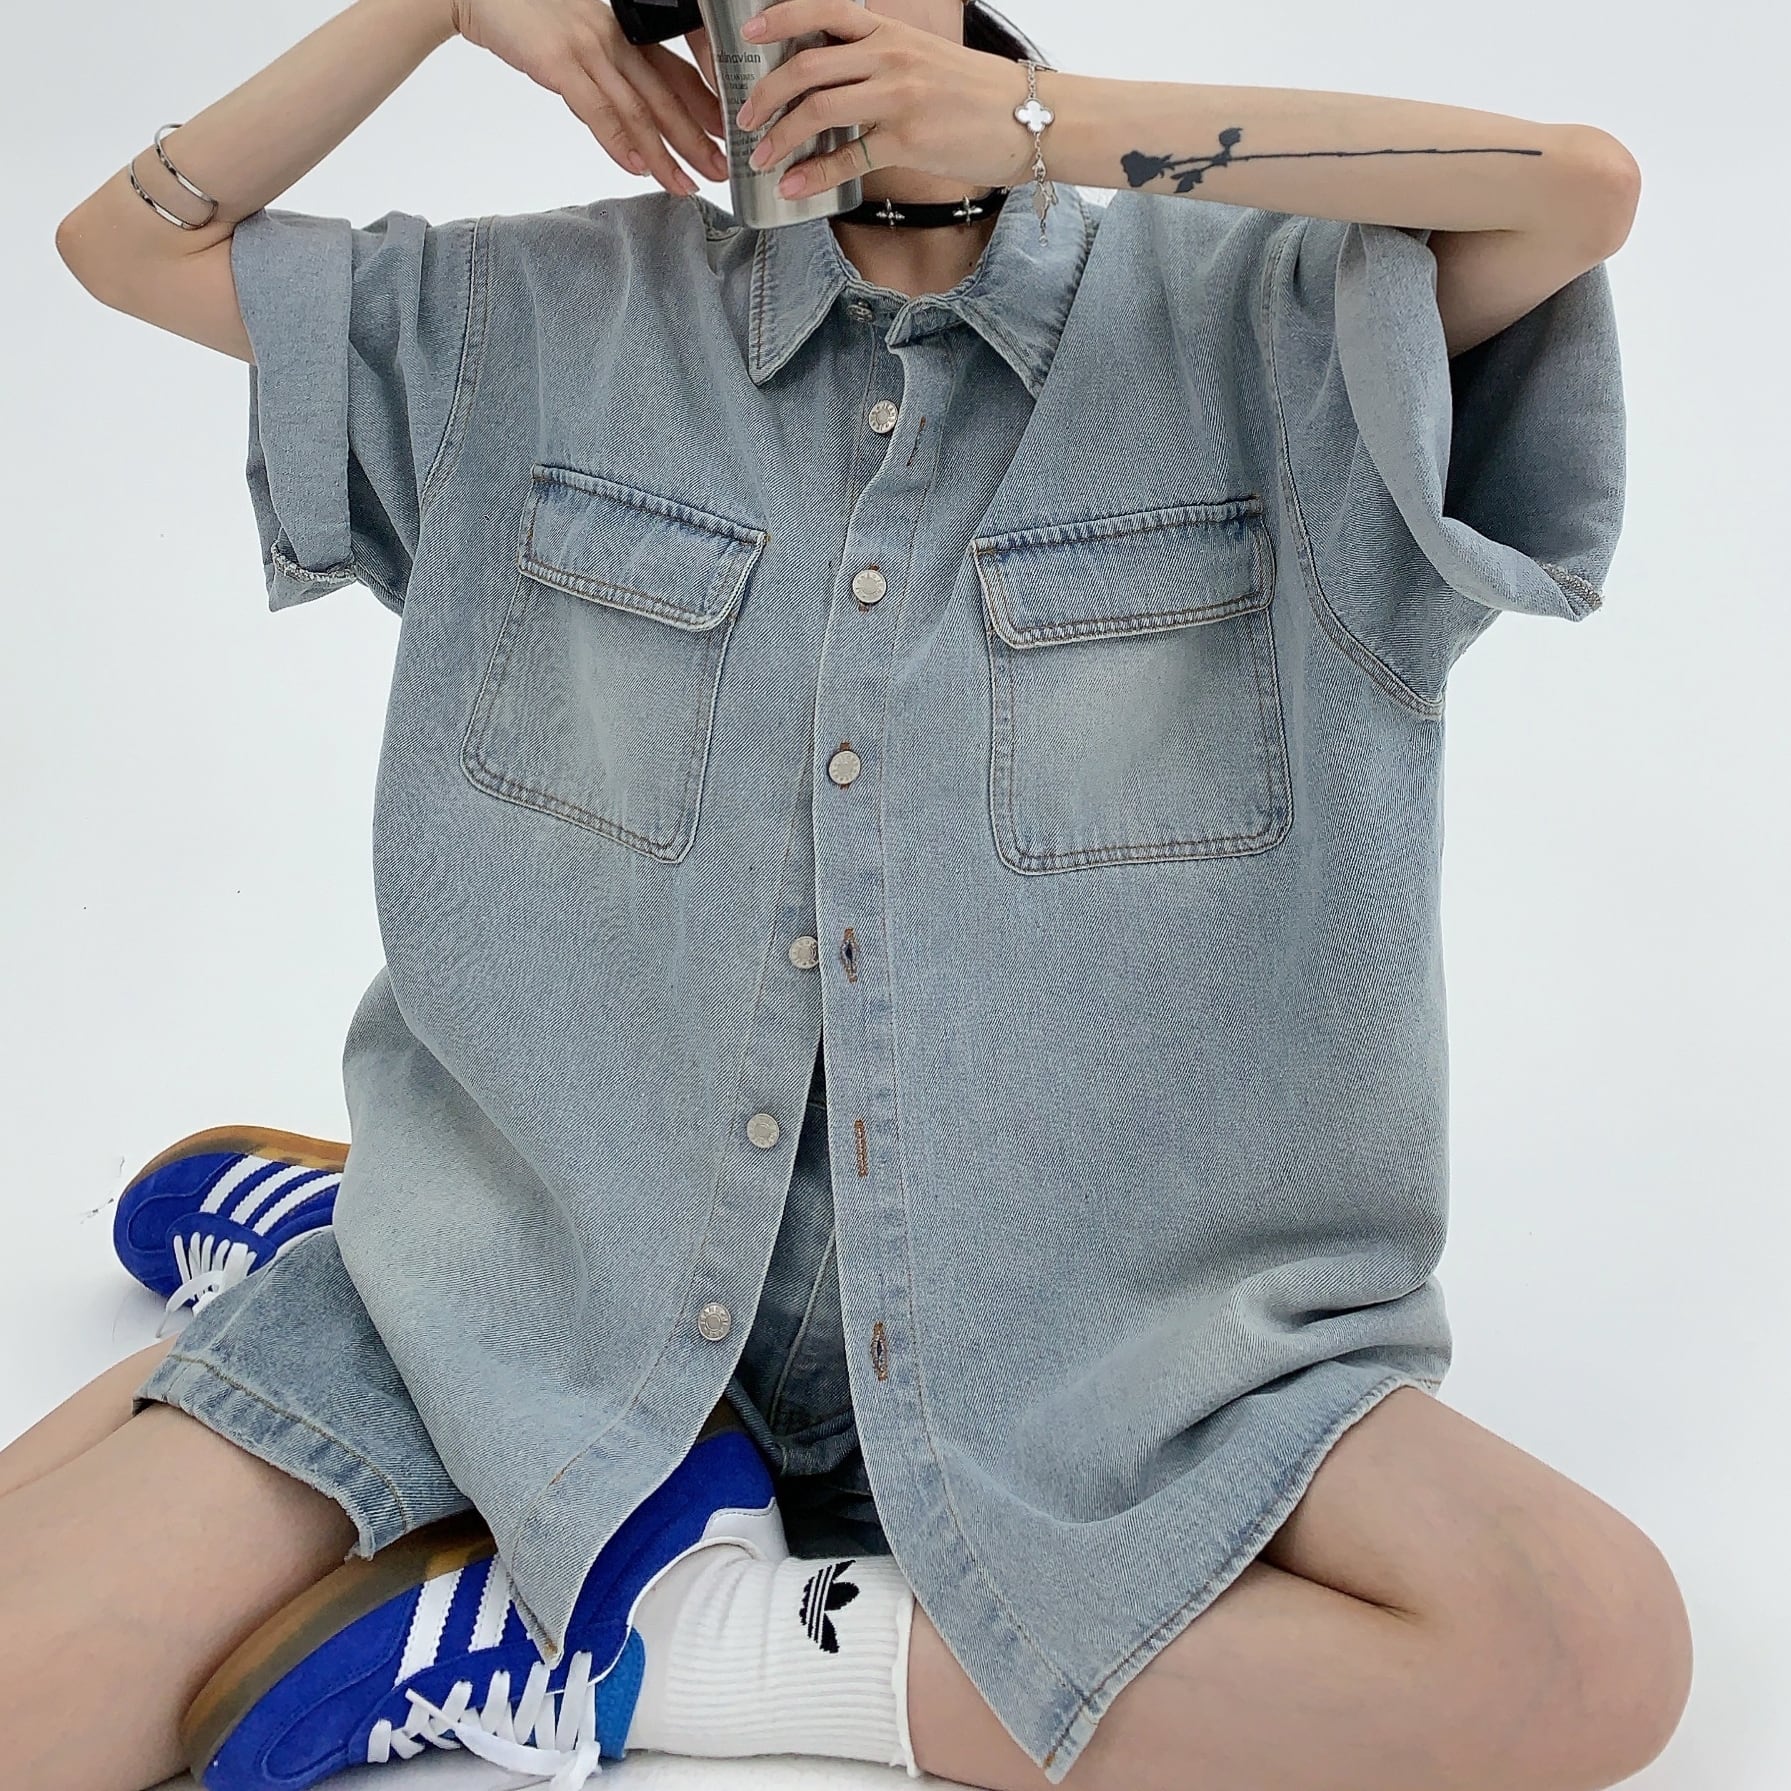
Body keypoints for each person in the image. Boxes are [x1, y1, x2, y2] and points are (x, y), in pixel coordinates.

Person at [17, 0, 1689, 1788]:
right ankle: (353, 1234)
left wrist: (1037, 126)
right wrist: (435, 4)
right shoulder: (531, 319)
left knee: (1585, 1651)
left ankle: (659, 1648)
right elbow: (130, 244)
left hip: (1130, 1357)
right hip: (538, 1295)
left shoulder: (1274, 326)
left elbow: (1575, 191)